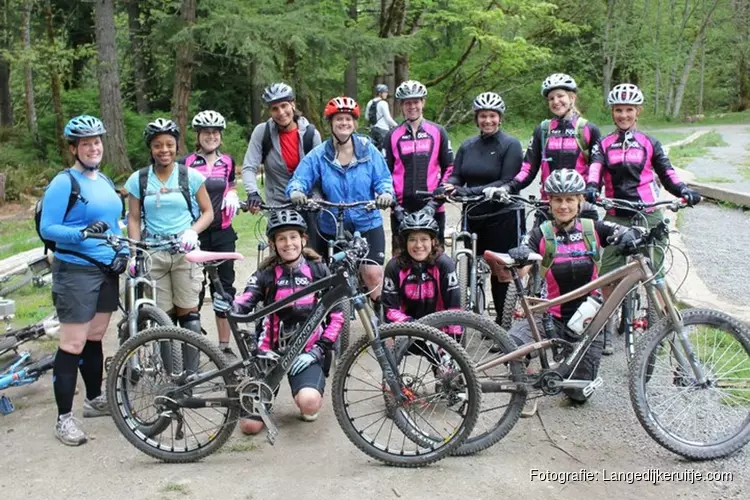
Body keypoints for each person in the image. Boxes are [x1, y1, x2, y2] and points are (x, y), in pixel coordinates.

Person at [498, 169, 643, 415]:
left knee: (577, 394)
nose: (563, 205)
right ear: (550, 202)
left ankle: (567, 363)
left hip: (588, 320)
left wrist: (631, 235)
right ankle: (527, 386)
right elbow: (521, 254)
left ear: (579, 201)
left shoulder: (593, 229)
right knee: (512, 344)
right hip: (550, 317)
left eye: (569, 199)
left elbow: (620, 231)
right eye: (557, 200)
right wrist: (518, 254)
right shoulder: (541, 233)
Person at [585, 83, 702, 354]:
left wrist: (684, 190)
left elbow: (667, 172)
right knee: (607, 273)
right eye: (618, 110)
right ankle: (608, 321)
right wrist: (591, 188)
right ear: (612, 113)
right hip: (616, 215)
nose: (623, 115)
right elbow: (595, 169)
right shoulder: (603, 144)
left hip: (649, 215)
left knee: (656, 275)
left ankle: (663, 329)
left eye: (628, 110)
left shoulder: (649, 142)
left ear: (638, 112)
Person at [213, 210, 344, 433]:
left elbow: (337, 316)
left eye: (293, 237)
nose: (288, 243)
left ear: (303, 239)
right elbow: (246, 301)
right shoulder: (265, 274)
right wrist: (228, 305)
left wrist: (319, 350)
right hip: (268, 356)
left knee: (309, 404)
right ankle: (262, 401)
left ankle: (304, 391)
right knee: (249, 426)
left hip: (307, 352)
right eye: (281, 238)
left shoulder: (319, 270)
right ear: (273, 244)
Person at [40, 115, 124, 445]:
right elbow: (49, 228)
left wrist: (122, 254)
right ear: (74, 148)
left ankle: (93, 399)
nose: (93, 147)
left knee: (96, 336)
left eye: (97, 142)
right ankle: (64, 419)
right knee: (72, 343)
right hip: (75, 270)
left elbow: (113, 224)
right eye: (86, 143)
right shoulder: (64, 183)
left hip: (106, 269)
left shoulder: (102, 180)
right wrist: (82, 233)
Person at [286, 96, 395, 306]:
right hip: (330, 225)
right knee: (328, 279)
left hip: (367, 222)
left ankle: (384, 329)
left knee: (372, 275)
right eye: (339, 119)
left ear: (354, 123)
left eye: (348, 119)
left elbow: (383, 179)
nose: (344, 123)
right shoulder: (319, 155)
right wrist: (297, 192)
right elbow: (299, 179)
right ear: (330, 124)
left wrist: (385, 194)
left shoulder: (368, 150)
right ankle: (331, 328)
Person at [124, 118, 213, 341]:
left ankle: (191, 375)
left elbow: (208, 212)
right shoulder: (139, 179)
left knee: (189, 314)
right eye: (158, 145)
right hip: (155, 253)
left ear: (176, 146)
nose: (164, 150)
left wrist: (192, 231)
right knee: (163, 318)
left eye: (169, 144)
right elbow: (134, 219)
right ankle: (171, 372)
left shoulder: (189, 176)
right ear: (151, 148)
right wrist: (134, 253)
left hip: (185, 253)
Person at [442, 92, 525, 326]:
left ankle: (502, 321)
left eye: (492, 116)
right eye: (482, 116)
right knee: (468, 268)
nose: (487, 121)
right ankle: (467, 318)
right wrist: (450, 187)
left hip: (503, 216)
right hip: (474, 215)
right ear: (476, 118)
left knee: (501, 273)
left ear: (499, 118)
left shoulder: (510, 145)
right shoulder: (468, 145)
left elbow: (506, 180)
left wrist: (467, 192)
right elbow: (457, 175)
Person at [496, 73, 601, 221]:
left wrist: (592, 187)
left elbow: (596, 165)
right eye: (551, 98)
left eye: (560, 96)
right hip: (548, 205)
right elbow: (528, 168)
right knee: (534, 243)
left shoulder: (588, 129)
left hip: (580, 206)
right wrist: (509, 187)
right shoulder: (543, 130)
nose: (555, 101)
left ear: (572, 98)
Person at [181, 110, 240, 356]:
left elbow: (231, 184)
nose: (211, 136)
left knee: (224, 288)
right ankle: (194, 345)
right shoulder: (185, 163)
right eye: (206, 133)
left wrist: (232, 193)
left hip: (223, 231)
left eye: (215, 133)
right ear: (198, 136)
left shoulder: (227, 161)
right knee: (193, 288)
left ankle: (224, 347)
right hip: (196, 232)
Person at [241, 82, 322, 249]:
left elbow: (319, 172)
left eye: (284, 105)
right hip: (278, 205)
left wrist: (316, 197)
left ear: (292, 104)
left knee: (314, 260)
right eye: (274, 108)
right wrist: (252, 193)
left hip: (308, 205)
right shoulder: (262, 132)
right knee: (279, 257)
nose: (281, 112)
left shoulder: (310, 134)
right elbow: (249, 167)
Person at [384, 80, 453, 252]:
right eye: (407, 102)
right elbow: (384, 174)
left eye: (416, 101)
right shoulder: (392, 135)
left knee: (436, 261)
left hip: (433, 208)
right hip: (401, 209)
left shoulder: (438, 131)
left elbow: (450, 168)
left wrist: (435, 203)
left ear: (423, 102)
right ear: (401, 105)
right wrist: (395, 206)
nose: (412, 106)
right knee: (400, 263)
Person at [382, 211, 461, 327]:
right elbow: (390, 310)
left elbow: (454, 308)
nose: (418, 245)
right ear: (405, 243)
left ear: (433, 241)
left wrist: (454, 338)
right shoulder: (394, 266)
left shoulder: (444, 264)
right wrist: (412, 326)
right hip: (406, 329)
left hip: (440, 332)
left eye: (424, 239)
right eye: (412, 239)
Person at [364, 84, 398, 150]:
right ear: (380, 93)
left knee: (375, 150)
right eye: (385, 92)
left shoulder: (370, 102)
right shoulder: (383, 103)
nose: (386, 94)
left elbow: (366, 117)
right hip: (383, 130)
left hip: (373, 130)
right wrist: (397, 126)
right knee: (385, 151)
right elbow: (388, 119)